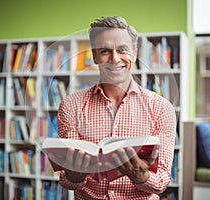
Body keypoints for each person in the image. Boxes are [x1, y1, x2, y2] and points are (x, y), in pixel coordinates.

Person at [54, 16, 177, 199]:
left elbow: (162, 181)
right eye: (105, 51)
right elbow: (69, 182)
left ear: (134, 54)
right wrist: (73, 175)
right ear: (95, 56)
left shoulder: (161, 108)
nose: (114, 59)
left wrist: (142, 177)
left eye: (122, 50)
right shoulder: (71, 106)